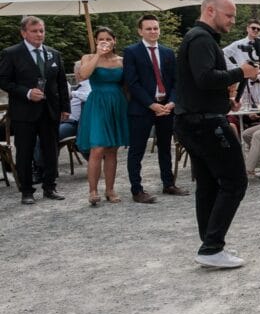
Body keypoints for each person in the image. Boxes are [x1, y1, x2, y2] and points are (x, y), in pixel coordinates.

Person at [174, 0, 259, 269]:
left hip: (195, 120)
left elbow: (201, 83)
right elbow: (205, 78)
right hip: (205, 124)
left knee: (209, 184)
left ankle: (209, 245)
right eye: (229, 15)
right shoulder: (200, 39)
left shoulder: (198, 38)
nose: (233, 21)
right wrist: (240, 73)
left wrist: (226, 100)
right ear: (210, 10)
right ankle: (211, 246)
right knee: (235, 181)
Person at [0, 15, 70, 204]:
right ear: (24, 33)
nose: (39, 34)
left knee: (50, 150)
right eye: (34, 31)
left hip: (50, 111)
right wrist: (27, 92)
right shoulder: (12, 53)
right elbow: (4, 80)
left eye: (41, 30)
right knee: (25, 151)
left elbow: (61, 83)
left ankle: (50, 186)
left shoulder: (53, 53)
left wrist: (65, 107)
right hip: (24, 112)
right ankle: (27, 191)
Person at [123, 14, 188, 204]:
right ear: (140, 31)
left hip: (166, 107)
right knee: (137, 150)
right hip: (142, 108)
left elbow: (176, 81)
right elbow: (132, 83)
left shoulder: (168, 53)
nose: (153, 31)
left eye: (155, 28)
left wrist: (172, 102)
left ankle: (168, 183)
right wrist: (151, 105)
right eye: (149, 28)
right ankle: (137, 190)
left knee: (165, 148)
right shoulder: (132, 52)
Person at [76, 28, 131, 205]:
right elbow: (83, 75)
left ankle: (110, 189)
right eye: (101, 39)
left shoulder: (122, 61)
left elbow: (127, 85)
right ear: (96, 41)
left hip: (117, 103)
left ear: (114, 41)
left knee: (112, 149)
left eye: (108, 39)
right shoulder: (88, 58)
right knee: (97, 148)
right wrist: (98, 55)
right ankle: (92, 191)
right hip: (98, 103)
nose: (105, 41)